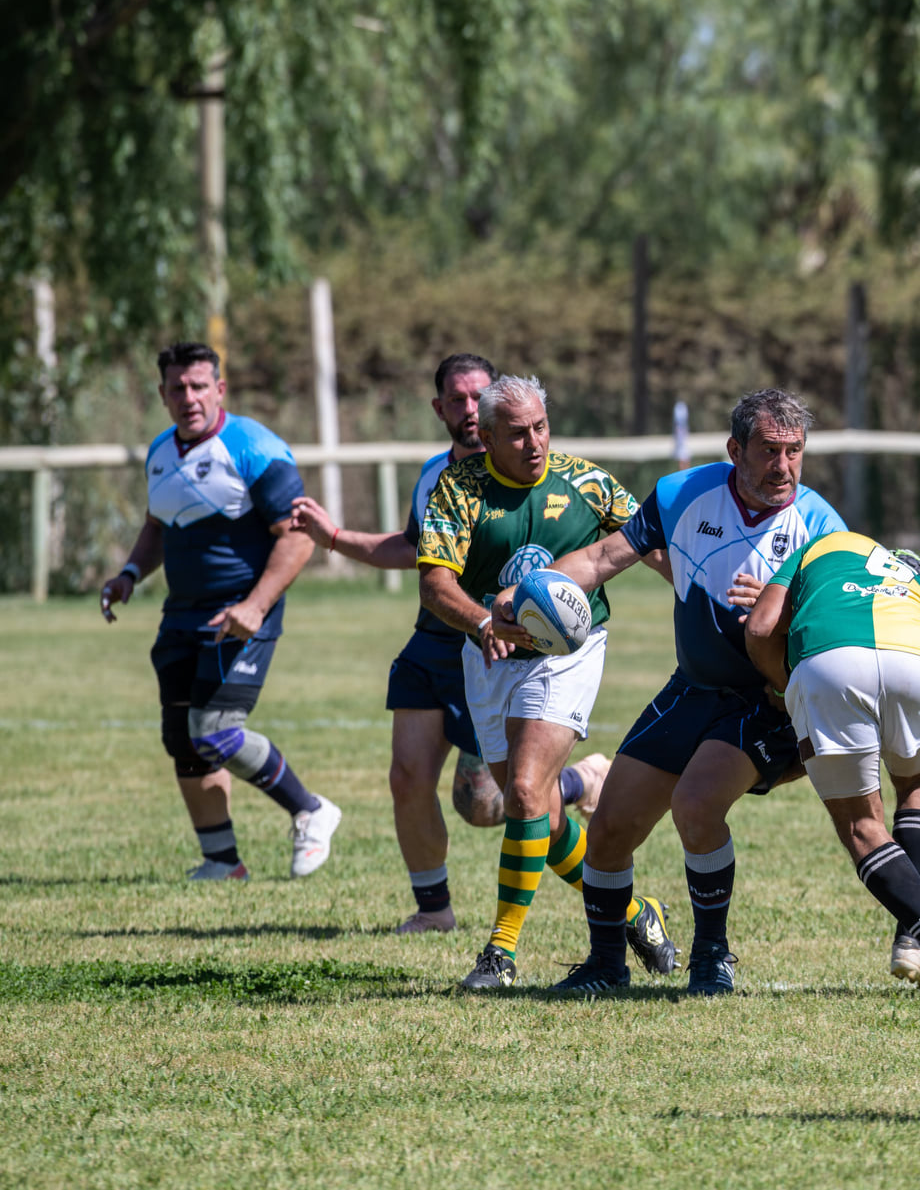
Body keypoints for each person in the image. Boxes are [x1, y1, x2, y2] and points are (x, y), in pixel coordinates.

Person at [494, 389, 845, 997]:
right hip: (694, 688)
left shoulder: (821, 527)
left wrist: (782, 607)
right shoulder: (682, 494)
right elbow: (602, 557)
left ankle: (712, 957)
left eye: (794, 452)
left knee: (696, 805)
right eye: (769, 450)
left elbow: (836, 631)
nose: (783, 466)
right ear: (735, 450)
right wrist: (527, 590)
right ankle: (607, 966)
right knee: (610, 829)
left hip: (767, 702)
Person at [288, 353, 627, 937]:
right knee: (409, 776)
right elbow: (416, 551)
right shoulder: (439, 480)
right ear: (441, 408)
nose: (468, 409)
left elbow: (638, 540)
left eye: (478, 397)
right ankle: (434, 908)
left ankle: (578, 788)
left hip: (522, 648)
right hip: (444, 640)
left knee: (495, 802)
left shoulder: (574, 480)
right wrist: (337, 539)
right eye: (458, 400)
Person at [415, 374, 665, 990]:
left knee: (525, 794)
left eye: (541, 428)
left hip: (569, 652)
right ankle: (636, 913)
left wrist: (707, 599)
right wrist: (482, 622)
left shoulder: (585, 481)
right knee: (541, 818)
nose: (534, 443)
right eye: (518, 434)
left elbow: (655, 543)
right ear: (487, 436)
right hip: (491, 654)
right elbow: (435, 584)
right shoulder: (459, 487)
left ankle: (499, 953)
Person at [99, 342, 341, 880]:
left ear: (219, 389)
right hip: (181, 615)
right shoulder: (160, 451)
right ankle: (222, 861)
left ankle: (310, 809)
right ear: (163, 394)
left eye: (199, 386)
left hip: (242, 615)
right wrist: (129, 574)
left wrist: (255, 606)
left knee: (213, 731)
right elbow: (157, 525)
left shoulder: (255, 447)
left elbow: (298, 537)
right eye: (178, 388)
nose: (189, 397)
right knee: (182, 738)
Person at [742, 531, 920, 998]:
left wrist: (781, 685)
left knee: (860, 823)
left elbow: (759, 628)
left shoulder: (821, 546)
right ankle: (910, 941)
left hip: (832, 661)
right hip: (915, 660)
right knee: (919, 787)